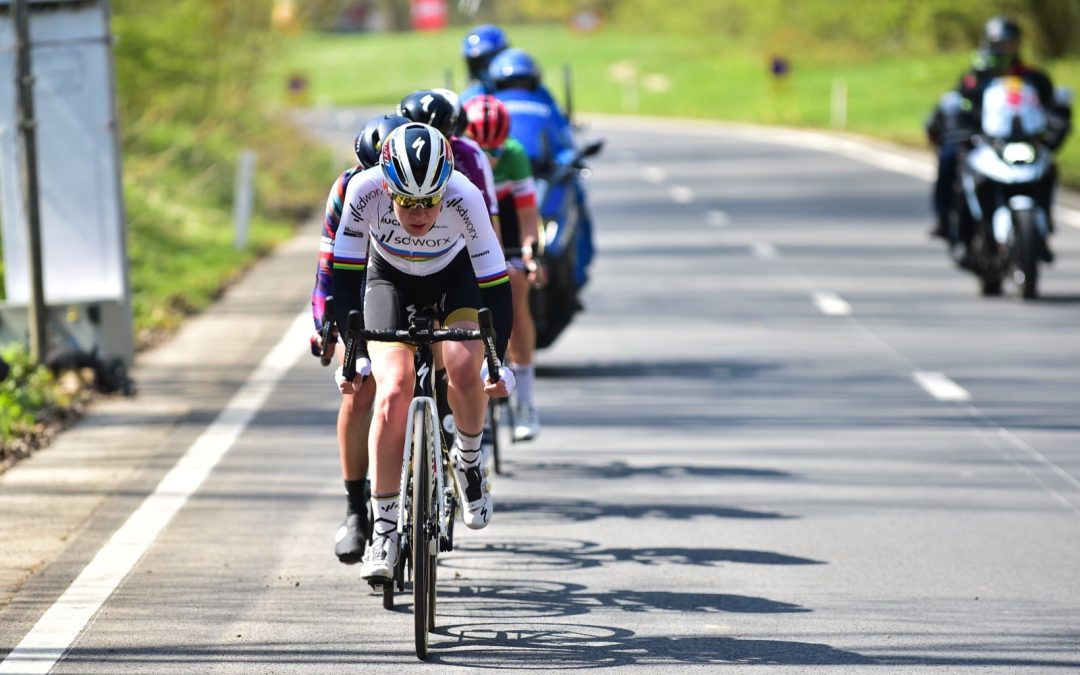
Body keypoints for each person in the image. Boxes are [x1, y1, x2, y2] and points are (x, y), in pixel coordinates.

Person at [331, 123, 514, 581]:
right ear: (385, 183)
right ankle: (385, 532)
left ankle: (470, 461)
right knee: (392, 389)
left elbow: (497, 287)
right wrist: (353, 355)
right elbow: (343, 279)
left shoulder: (465, 196)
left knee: (463, 363)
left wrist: (500, 362)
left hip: (455, 276)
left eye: (429, 202)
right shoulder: (363, 190)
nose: (418, 213)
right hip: (387, 279)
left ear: (444, 188)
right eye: (407, 202)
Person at [310, 113, 410, 565]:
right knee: (360, 388)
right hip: (367, 281)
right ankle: (356, 509)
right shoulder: (347, 188)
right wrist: (325, 325)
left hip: (425, 277)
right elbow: (328, 265)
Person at [926, 16, 1070, 258]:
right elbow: (958, 106)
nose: (1007, 49)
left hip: (1023, 141)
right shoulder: (976, 77)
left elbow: (1051, 106)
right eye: (1001, 43)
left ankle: (1042, 227)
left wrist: (1058, 119)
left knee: (1048, 169)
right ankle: (946, 220)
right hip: (985, 142)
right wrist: (959, 125)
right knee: (950, 159)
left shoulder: (1033, 77)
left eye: (1011, 43)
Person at [464, 94, 544, 441]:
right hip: (470, 226)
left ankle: (525, 401)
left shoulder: (515, 155)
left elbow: (528, 217)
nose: (491, 159)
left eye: (495, 151)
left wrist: (529, 254)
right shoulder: (461, 156)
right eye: (484, 151)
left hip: (507, 225)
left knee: (516, 288)